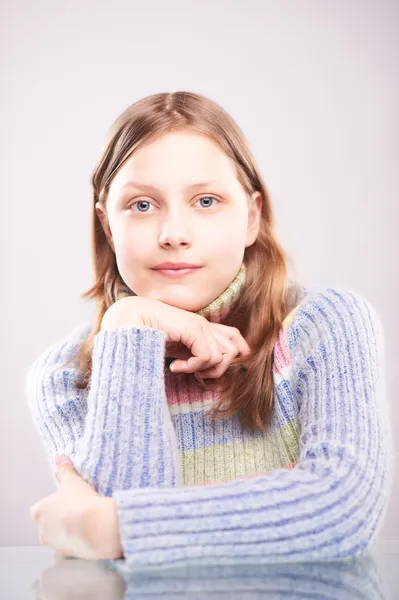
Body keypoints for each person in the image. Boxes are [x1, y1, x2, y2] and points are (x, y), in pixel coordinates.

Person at [26, 91, 394, 570]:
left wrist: (117, 528)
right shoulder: (64, 375)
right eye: (141, 205)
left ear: (251, 216)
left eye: (206, 200)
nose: (174, 233)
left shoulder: (324, 326)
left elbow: (341, 510)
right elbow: (121, 562)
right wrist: (129, 324)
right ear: (107, 225)